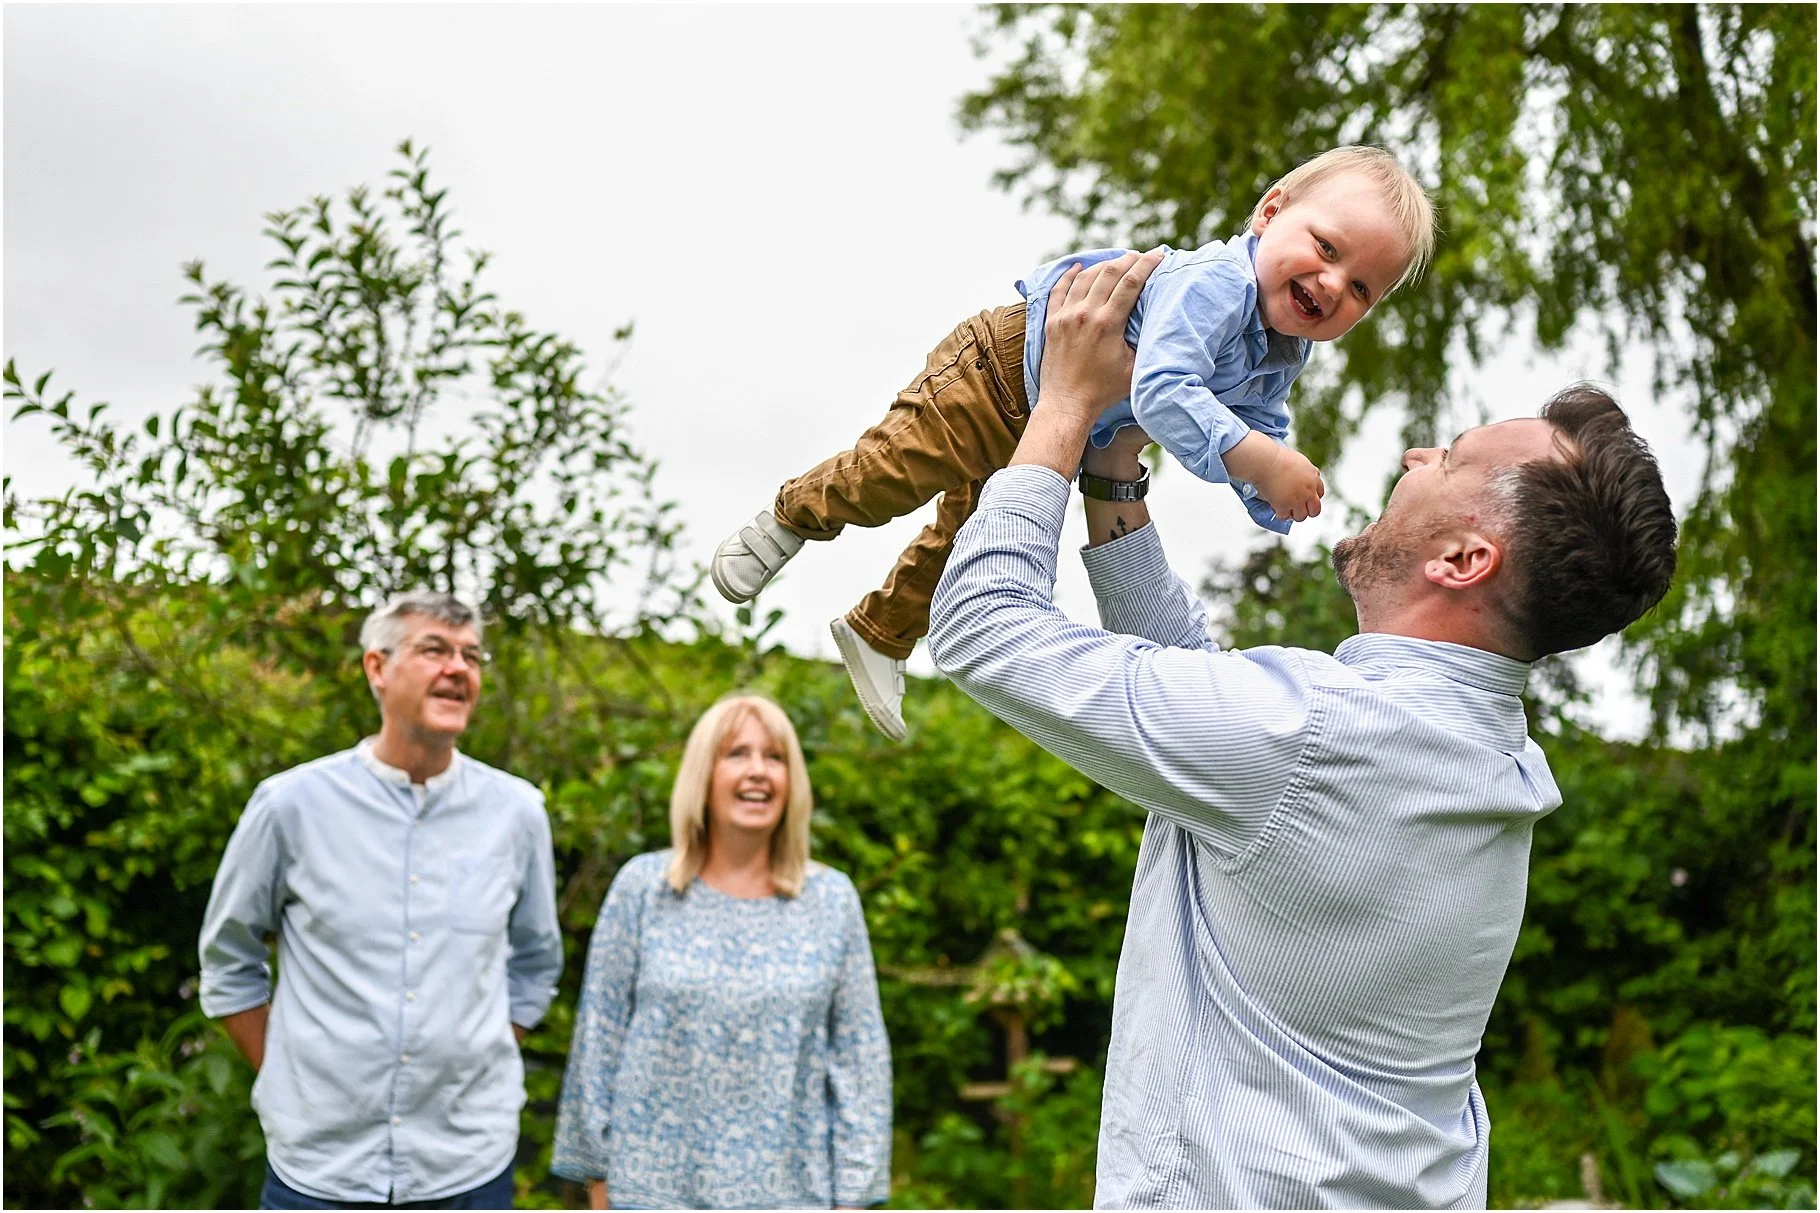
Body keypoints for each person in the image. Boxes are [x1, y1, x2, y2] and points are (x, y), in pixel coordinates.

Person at [926, 253, 1678, 1208]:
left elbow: (983, 625)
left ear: (1463, 556)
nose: (1414, 456)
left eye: (1447, 458)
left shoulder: (1316, 733)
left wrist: (1065, 404)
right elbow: (1214, 715)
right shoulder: (1485, 762)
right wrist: (1117, 473)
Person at [711, 145, 1436, 742]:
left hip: (1047, 429)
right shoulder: (1218, 283)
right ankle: (788, 517)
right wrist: (1255, 458)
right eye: (1326, 247)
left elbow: (1261, 429)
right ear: (1271, 212)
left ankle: (879, 634)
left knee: (963, 542)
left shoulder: (1282, 352)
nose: (1332, 283)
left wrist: (1274, 495)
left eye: (1363, 288)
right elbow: (1163, 391)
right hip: (999, 371)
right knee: (889, 476)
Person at [197, 591, 563, 1209]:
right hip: (318, 1173)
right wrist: (289, 1076)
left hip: (468, 1169)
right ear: (376, 668)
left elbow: (535, 962)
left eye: (472, 655)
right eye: (434, 650)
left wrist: (474, 1058)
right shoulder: (290, 806)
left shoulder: (517, 813)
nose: (458, 668)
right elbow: (229, 960)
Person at [552, 694, 892, 1210]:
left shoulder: (831, 902)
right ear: (702, 775)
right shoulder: (643, 889)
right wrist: (598, 1182)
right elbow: (597, 1044)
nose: (758, 771)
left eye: (774, 757)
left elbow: (861, 1064)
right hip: (651, 1195)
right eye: (737, 753)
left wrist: (854, 1196)